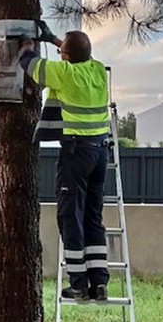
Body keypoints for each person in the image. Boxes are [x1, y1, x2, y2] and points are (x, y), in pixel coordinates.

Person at [19, 25, 111, 302]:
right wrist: (54, 39)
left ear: (66, 57)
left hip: (76, 152)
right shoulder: (97, 70)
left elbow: (30, 64)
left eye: (62, 52)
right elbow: (77, 53)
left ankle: (79, 284)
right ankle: (100, 283)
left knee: (70, 215)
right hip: (100, 152)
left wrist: (26, 45)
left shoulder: (65, 74)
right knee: (92, 216)